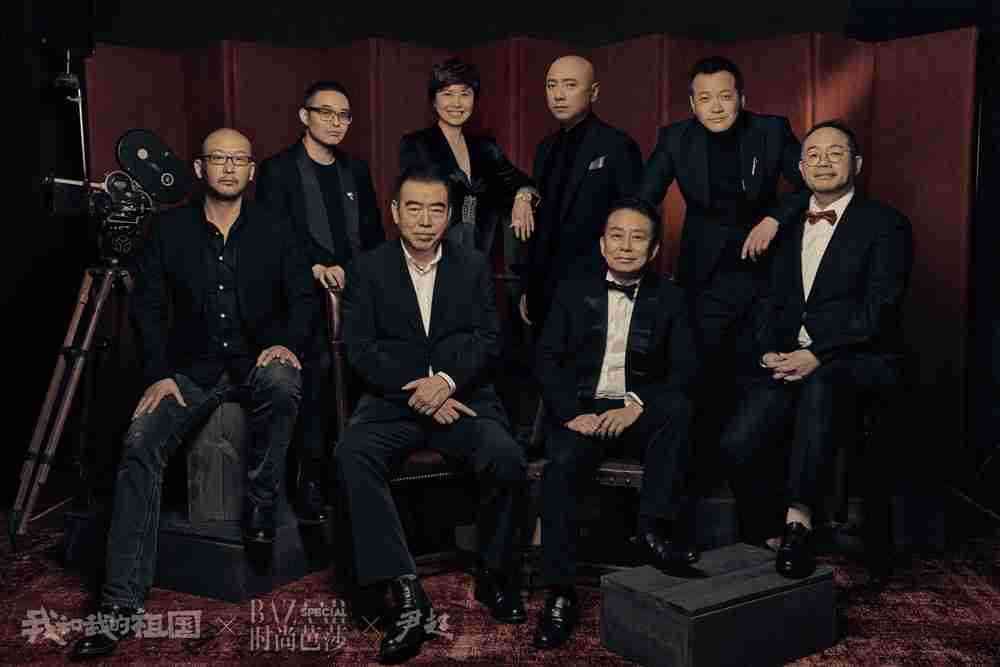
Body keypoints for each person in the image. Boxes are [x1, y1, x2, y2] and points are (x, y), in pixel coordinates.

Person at [71, 128, 317, 660]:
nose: (229, 167)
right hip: (190, 370)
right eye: (218, 158)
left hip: (256, 361)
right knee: (140, 443)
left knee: (282, 381)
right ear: (200, 168)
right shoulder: (168, 229)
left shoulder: (278, 228)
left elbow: (303, 299)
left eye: (239, 159)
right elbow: (148, 307)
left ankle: (261, 504)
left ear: (251, 170)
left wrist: (286, 345)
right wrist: (159, 374)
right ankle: (119, 603)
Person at [335, 165, 528, 663]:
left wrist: (444, 382)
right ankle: (404, 590)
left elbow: (489, 338)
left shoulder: (473, 265)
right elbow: (360, 347)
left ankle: (496, 574)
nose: (425, 220)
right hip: (393, 402)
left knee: (506, 456)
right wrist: (421, 391)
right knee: (353, 453)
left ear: (449, 215)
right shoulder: (367, 268)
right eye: (414, 208)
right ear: (395, 212)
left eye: (436, 209)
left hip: (462, 398)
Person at [715, 120, 912, 578]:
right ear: (801, 169)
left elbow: (880, 307)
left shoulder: (886, 224)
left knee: (821, 387)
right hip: (790, 357)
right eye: (814, 155)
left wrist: (818, 353)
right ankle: (765, 530)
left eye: (835, 153)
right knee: (737, 441)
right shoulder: (783, 224)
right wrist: (768, 351)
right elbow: (766, 300)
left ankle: (798, 522)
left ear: (856, 164)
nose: (824, 162)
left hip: (858, 359)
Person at [635, 56, 807, 542]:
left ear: (742, 99)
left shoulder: (771, 131)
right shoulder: (675, 138)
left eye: (725, 97)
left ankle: (763, 523)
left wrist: (774, 218)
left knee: (760, 393)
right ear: (692, 104)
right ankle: (686, 523)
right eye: (705, 99)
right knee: (700, 387)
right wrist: (627, 246)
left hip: (764, 279)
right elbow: (644, 197)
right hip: (703, 280)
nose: (715, 107)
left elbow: (810, 185)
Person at [532, 197, 699, 649]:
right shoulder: (572, 290)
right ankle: (560, 592)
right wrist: (573, 414)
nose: (626, 246)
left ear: (654, 249)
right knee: (562, 466)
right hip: (584, 411)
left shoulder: (672, 298)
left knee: (679, 410)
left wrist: (636, 405)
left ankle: (653, 530)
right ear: (602, 244)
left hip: (635, 411)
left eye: (637, 237)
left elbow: (686, 369)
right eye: (617, 236)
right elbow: (546, 359)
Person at [255, 80, 384, 523]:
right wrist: (313, 267)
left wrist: (357, 273)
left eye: (343, 115)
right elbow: (274, 236)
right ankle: (308, 478)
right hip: (301, 297)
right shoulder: (277, 170)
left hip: (355, 293)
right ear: (304, 116)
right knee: (318, 374)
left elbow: (373, 236)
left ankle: (357, 474)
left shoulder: (356, 171)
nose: (335, 122)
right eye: (325, 112)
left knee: (367, 372)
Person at [517, 54, 643, 331]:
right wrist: (528, 285)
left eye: (570, 85)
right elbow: (541, 227)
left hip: (594, 290)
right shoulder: (544, 148)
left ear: (594, 92)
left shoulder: (617, 145)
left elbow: (633, 221)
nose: (558, 95)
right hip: (543, 291)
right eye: (551, 85)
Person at [400, 57, 535, 255]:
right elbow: (412, 203)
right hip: (435, 252)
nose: (457, 103)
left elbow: (520, 180)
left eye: (465, 94)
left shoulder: (486, 148)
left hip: (482, 254)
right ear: (434, 101)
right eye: (447, 94)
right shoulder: (417, 144)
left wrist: (523, 197)